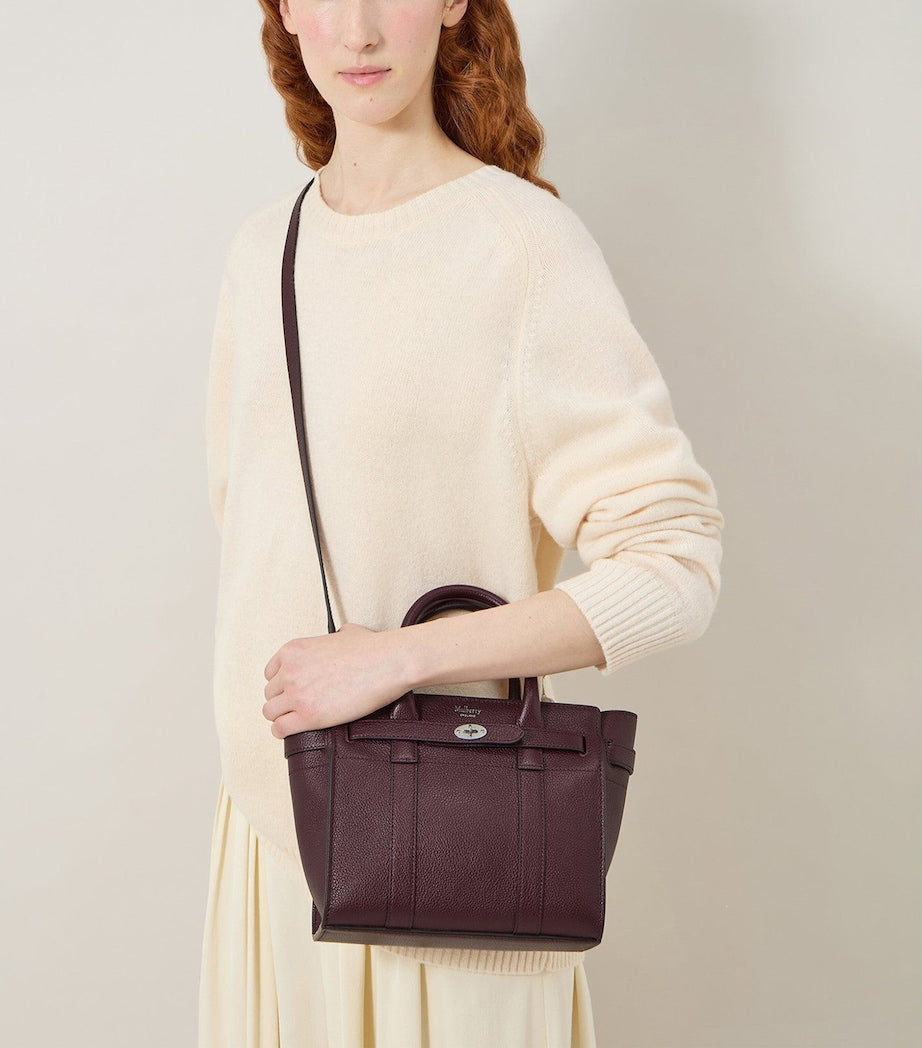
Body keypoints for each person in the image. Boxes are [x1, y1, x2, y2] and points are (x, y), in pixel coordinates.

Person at [197, 0, 725, 1045]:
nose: (358, 30)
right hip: (273, 849)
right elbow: (252, 545)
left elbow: (675, 566)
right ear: (285, 11)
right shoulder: (263, 255)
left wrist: (400, 659)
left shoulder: (521, 249)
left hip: (455, 853)